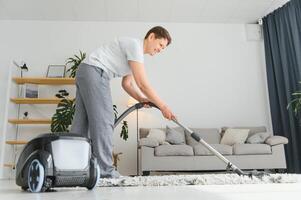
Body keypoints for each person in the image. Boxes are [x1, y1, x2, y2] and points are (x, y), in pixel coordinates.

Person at [71, 26, 176, 178]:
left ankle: (74, 168)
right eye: (160, 45)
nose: (160, 50)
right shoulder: (135, 46)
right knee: (105, 121)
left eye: (163, 49)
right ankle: (106, 172)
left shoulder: (135, 55)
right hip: (95, 72)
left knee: (81, 124)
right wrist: (163, 106)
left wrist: (141, 99)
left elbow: (127, 84)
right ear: (151, 36)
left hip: (85, 71)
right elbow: (143, 84)